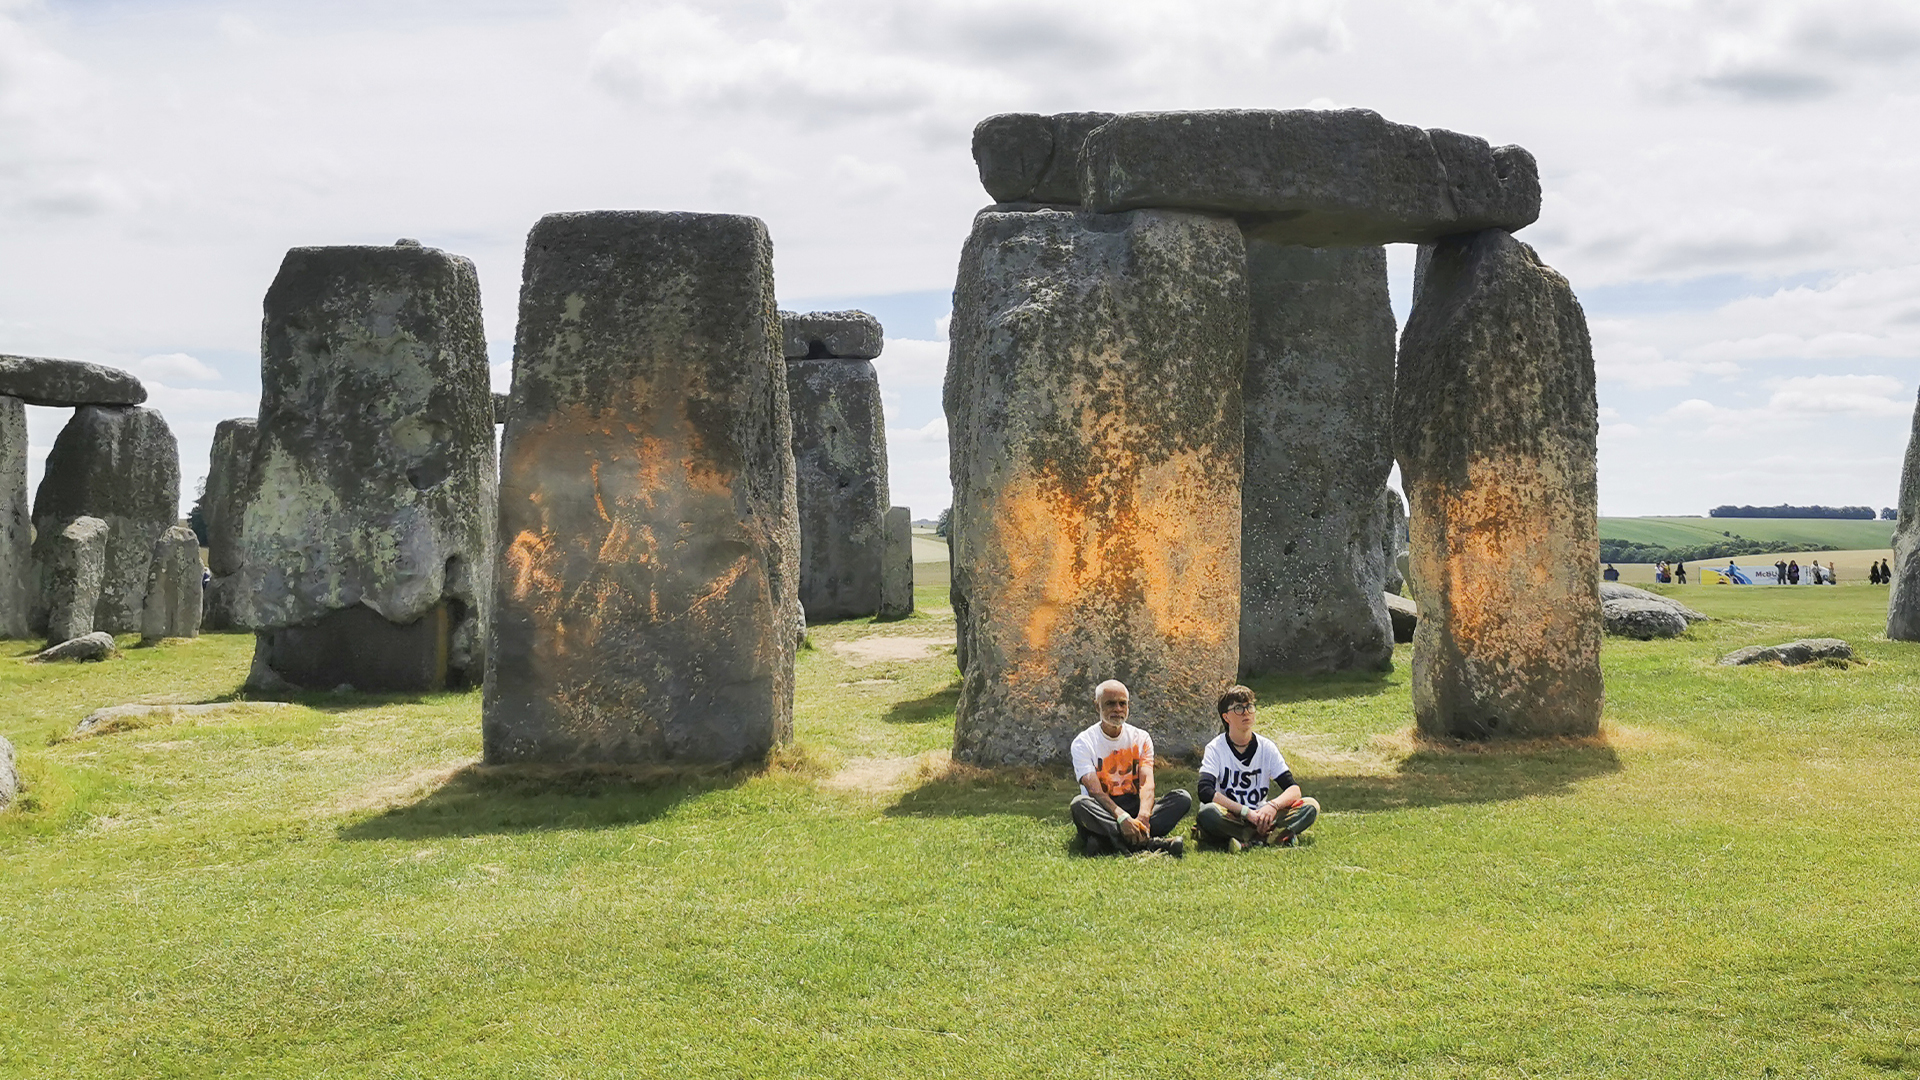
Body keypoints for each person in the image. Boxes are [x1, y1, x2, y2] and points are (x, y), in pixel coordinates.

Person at [1070, 680, 1191, 857]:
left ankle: (1106, 841)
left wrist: (1143, 817)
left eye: (1122, 703)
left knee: (1182, 798)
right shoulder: (1083, 742)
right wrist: (1122, 818)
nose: (1117, 709)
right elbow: (1094, 790)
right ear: (1097, 706)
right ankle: (1150, 843)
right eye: (1110, 703)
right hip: (1103, 809)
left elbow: (1147, 783)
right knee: (1079, 804)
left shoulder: (1141, 738)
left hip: (1134, 805)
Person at [1195, 686, 1319, 851]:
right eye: (1238, 708)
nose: (1246, 713)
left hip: (1263, 815)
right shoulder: (1215, 748)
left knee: (1310, 806)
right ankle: (1270, 837)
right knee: (1208, 812)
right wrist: (1246, 813)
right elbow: (1205, 791)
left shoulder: (1266, 747)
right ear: (1226, 717)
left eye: (1250, 707)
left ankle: (1246, 838)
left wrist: (1272, 807)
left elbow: (1293, 789)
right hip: (1233, 815)